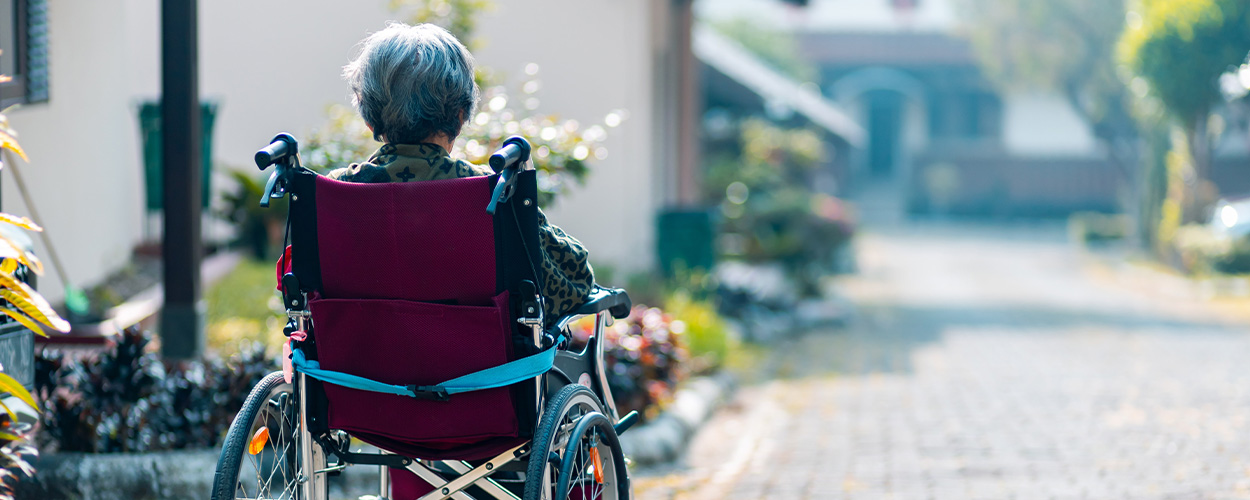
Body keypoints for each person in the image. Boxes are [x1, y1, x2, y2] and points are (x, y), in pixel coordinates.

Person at [326, 22, 595, 323]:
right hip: (479, 366)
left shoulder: (333, 194)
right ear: (461, 114)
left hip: (357, 365)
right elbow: (574, 282)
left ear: (370, 120)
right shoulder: (491, 191)